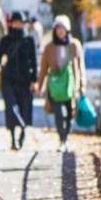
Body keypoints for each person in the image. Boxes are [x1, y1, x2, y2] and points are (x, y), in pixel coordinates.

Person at [0, 11, 37, 150]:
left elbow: (34, 61)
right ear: (11, 23)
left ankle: (22, 132)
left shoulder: (29, 40)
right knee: (11, 108)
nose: (18, 25)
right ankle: (13, 138)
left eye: (21, 23)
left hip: (25, 80)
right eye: (16, 22)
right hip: (8, 79)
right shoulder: (5, 40)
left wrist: (34, 80)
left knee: (24, 108)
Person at [35, 14, 85, 152]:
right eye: (57, 27)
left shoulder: (74, 45)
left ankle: (65, 136)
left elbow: (81, 66)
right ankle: (61, 140)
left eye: (62, 27)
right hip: (55, 85)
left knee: (69, 113)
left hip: (71, 86)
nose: (60, 30)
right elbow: (44, 67)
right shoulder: (49, 47)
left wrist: (82, 85)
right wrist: (39, 85)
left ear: (67, 29)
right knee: (59, 113)